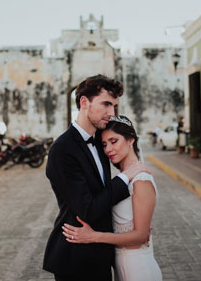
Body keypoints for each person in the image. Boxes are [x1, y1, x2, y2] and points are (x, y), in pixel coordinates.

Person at [43, 75, 149, 281]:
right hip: (76, 258)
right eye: (106, 104)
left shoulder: (100, 143)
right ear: (84, 103)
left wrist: (132, 228)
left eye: (115, 106)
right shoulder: (62, 150)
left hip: (102, 254)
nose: (112, 113)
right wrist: (126, 176)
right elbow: (88, 209)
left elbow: (103, 194)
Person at [62, 115, 161, 281]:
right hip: (121, 266)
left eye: (114, 141)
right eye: (104, 144)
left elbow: (141, 236)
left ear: (131, 140)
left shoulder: (141, 180)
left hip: (138, 268)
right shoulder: (121, 180)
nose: (108, 149)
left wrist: (93, 236)